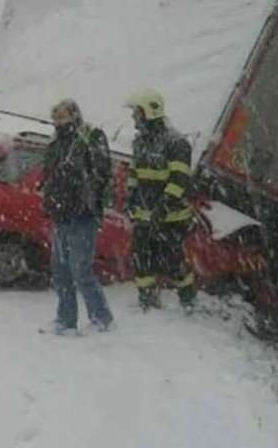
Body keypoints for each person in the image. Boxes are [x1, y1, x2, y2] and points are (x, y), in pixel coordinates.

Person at [41, 99, 114, 334]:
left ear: (74, 116)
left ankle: (101, 317)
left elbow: (101, 172)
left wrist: (88, 199)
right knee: (61, 271)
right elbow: (49, 174)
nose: (58, 123)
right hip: (61, 216)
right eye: (55, 119)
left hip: (83, 215)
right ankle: (65, 319)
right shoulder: (55, 144)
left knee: (81, 269)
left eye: (62, 118)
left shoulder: (91, 137)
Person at [123, 89, 197, 312]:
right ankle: (146, 299)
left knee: (173, 261)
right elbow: (135, 173)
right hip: (145, 215)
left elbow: (179, 180)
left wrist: (164, 206)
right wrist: (130, 197)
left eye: (136, 112)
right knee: (141, 258)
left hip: (172, 218)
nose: (133, 117)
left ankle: (188, 299)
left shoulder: (176, 142)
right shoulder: (140, 141)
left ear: (149, 112)